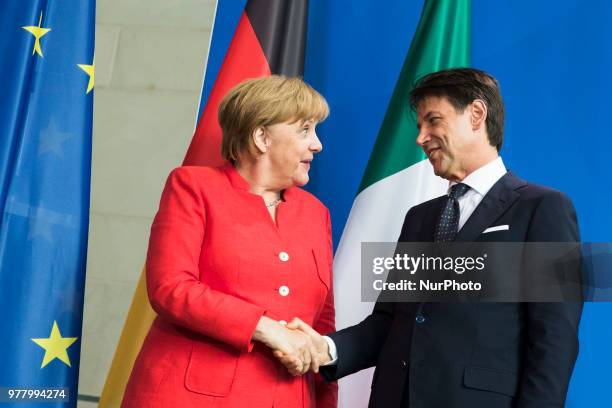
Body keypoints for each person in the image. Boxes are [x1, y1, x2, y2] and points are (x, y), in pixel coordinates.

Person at [280, 68, 582, 407]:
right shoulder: (419, 218)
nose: (420, 137)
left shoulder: (544, 209)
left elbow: (554, 339)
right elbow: (390, 322)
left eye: (433, 121)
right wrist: (326, 349)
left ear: (476, 114)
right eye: (420, 125)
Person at [122, 75, 337, 408]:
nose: (317, 144)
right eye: (305, 130)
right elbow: (170, 287)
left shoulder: (316, 214)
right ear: (262, 137)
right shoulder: (193, 187)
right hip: (189, 397)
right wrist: (265, 327)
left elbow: (322, 324)